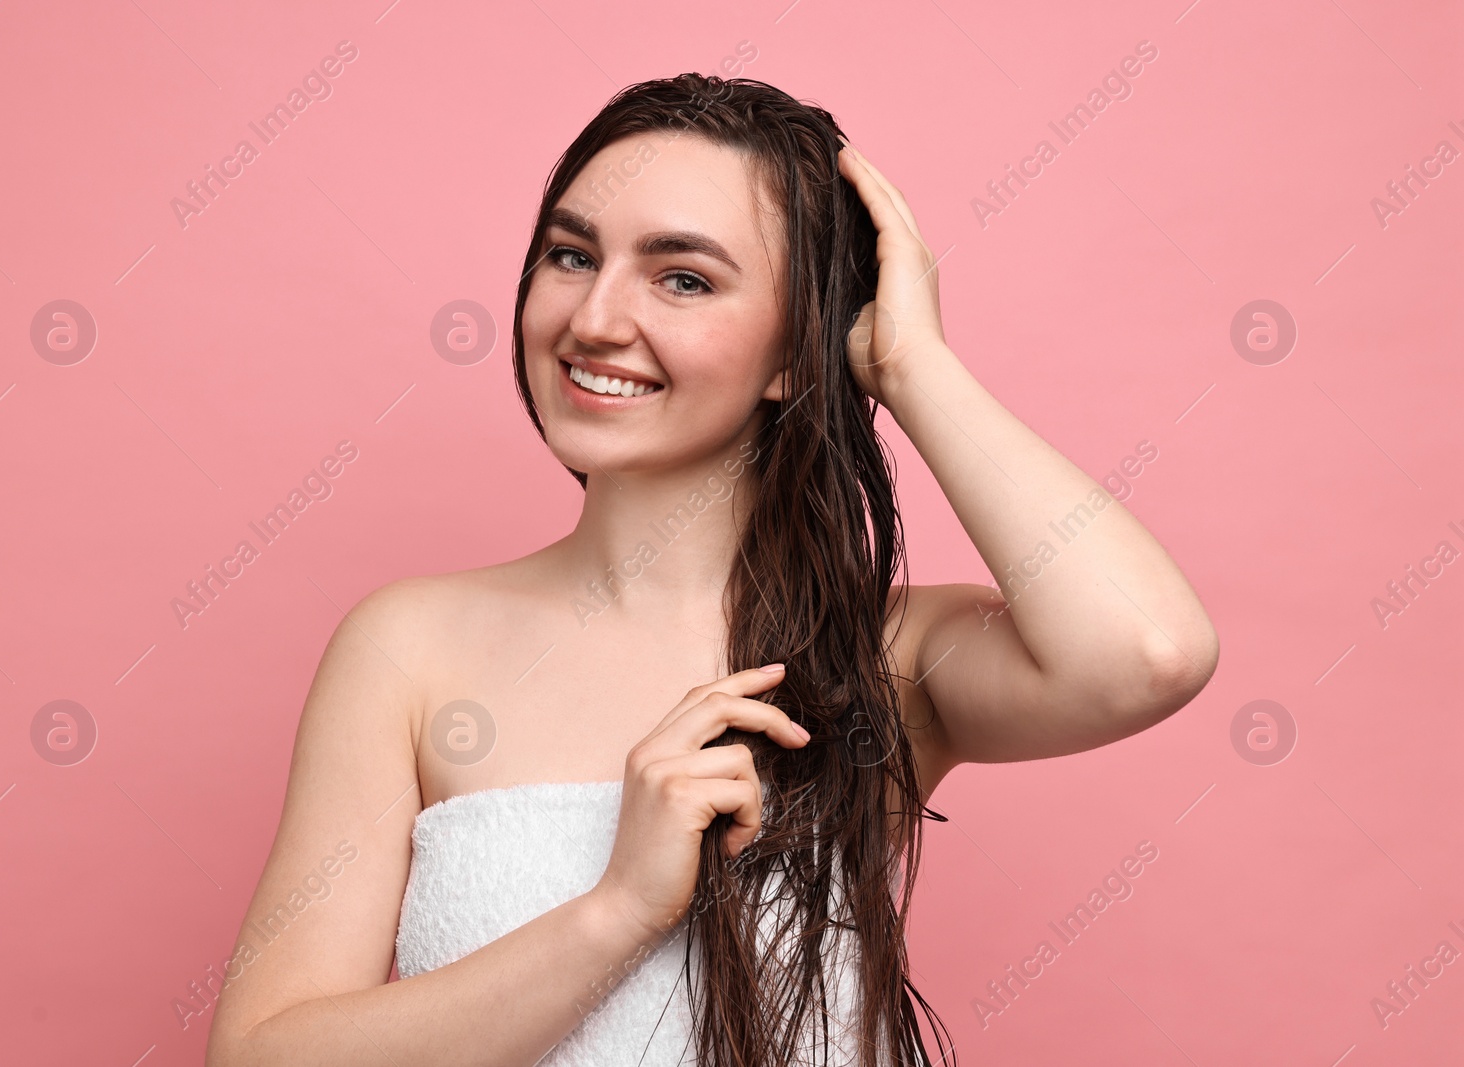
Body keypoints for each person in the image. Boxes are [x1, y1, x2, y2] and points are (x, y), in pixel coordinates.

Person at [204, 73, 1219, 1067]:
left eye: (681, 276)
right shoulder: (408, 647)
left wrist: (912, 363)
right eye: (570, 254)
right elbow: (261, 1053)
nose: (594, 318)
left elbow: (1147, 649)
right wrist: (616, 912)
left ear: (795, 354)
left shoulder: (882, 658)